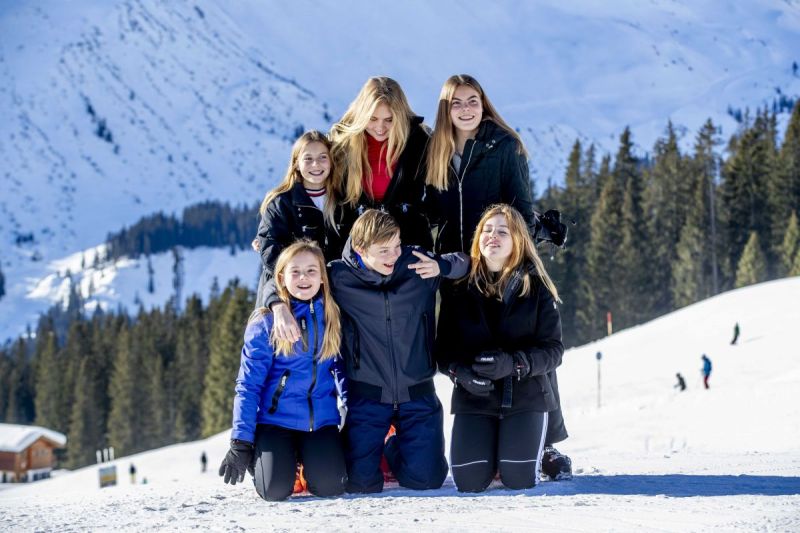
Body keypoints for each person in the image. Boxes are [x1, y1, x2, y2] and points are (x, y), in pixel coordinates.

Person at [426, 74, 571, 480]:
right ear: (446, 109)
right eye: (457, 103)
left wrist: (522, 238)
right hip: (459, 269)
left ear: (484, 103)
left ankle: (547, 445)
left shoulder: (504, 146)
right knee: (469, 345)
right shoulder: (435, 150)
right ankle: (485, 432)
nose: (466, 109)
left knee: (525, 340)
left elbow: (521, 206)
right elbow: (429, 210)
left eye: (473, 101)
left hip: (504, 258)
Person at [266, 210, 469, 493]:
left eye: (397, 245)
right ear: (360, 249)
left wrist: (442, 267)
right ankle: (381, 445)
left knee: (426, 479)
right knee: (361, 483)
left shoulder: (416, 265)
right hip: (368, 396)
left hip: (418, 392)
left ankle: (394, 447)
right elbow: (288, 279)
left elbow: (466, 262)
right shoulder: (338, 276)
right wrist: (277, 305)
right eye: (384, 250)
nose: (394, 255)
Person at [435, 204, 564, 492]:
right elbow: (443, 350)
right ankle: (494, 453)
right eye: (487, 230)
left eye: (502, 232)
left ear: (518, 240)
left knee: (518, 480)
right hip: (475, 396)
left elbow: (554, 350)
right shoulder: (458, 289)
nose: (493, 236)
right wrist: (461, 374)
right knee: (468, 482)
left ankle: (529, 452)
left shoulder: (537, 286)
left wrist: (515, 364)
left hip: (525, 396)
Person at [219, 241, 347, 501]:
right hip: (276, 422)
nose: (303, 278)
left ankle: (305, 461)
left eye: (311, 271)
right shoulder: (266, 322)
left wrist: (352, 411)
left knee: (331, 487)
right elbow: (248, 386)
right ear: (281, 277)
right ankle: (274, 458)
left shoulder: (333, 316)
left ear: (322, 276)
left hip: (320, 422)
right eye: (295, 271)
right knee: (274, 491)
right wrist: (241, 441)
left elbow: (342, 369)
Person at [329, 76, 433, 250]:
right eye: (373, 119)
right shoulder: (341, 143)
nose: (380, 127)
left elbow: (436, 193)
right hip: (355, 246)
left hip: (406, 243)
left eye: (389, 120)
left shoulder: (419, 143)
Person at [252, 130, 346, 307]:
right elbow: (270, 249)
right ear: (296, 164)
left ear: (332, 161)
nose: (315, 164)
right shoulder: (281, 202)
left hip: (332, 295)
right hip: (288, 294)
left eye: (322, 157)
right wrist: (296, 283)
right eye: (308, 159)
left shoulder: (344, 201)